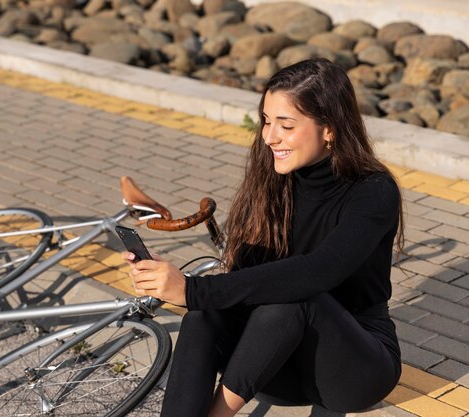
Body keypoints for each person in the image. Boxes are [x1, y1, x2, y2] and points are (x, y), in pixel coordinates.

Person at [122, 58, 404, 417]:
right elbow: (249, 284)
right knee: (202, 317)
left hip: (353, 370)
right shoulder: (274, 179)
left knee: (296, 298)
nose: (270, 136)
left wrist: (192, 290)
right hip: (277, 366)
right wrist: (170, 281)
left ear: (329, 129)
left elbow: (318, 272)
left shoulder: (373, 191)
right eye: (267, 121)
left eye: (286, 125)